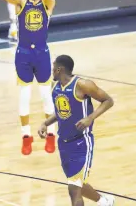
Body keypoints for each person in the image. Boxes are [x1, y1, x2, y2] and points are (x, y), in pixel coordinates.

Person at [38, 55, 115, 206]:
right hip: (64, 143)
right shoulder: (56, 87)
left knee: (74, 189)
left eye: (53, 67)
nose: (51, 70)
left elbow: (108, 101)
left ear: (59, 69)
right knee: (77, 183)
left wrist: (90, 118)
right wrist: (45, 123)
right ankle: (104, 201)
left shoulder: (83, 85)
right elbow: (61, 112)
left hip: (81, 142)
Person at [1, 0, 56, 155]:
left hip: (42, 54)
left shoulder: (49, 3)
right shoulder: (22, 2)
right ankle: (26, 136)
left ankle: (51, 134)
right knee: (24, 97)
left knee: (45, 96)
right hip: (23, 54)